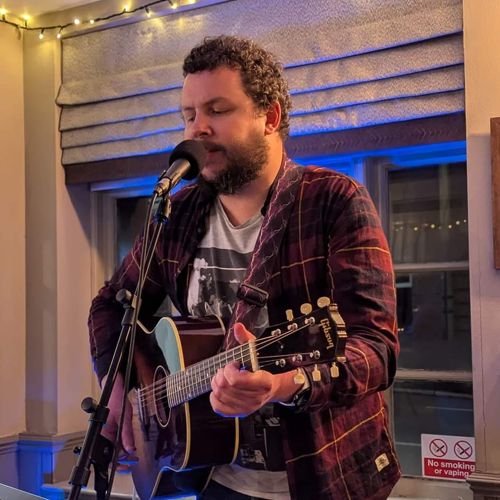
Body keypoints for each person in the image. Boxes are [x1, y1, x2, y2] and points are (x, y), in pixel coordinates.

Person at [89, 35, 401, 500]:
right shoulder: (178, 213)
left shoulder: (333, 201)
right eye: (190, 114)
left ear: (270, 116)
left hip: (319, 475)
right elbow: (110, 306)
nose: (198, 129)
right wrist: (118, 393)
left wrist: (281, 383)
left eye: (217, 110)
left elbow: (376, 351)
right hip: (210, 474)